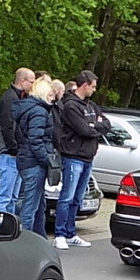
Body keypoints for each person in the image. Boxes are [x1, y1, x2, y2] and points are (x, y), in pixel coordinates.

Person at [53, 72, 110, 249]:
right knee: (67, 197)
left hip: (88, 157)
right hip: (73, 156)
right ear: (84, 85)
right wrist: (94, 126)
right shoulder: (70, 106)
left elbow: (107, 124)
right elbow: (83, 129)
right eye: (93, 86)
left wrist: (96, 126)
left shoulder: (91, 106)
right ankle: (60, 233)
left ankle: (71, 232)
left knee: (77, 198)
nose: (94, 90)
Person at [13, 77, 58, 236]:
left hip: (27, 160)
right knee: (30, 207)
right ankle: (24, 242)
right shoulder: (39, 111)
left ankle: (41, 240)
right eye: (51, 95)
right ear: (45, 93)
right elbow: (36, 140)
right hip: (34, 163)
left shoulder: (27, 108)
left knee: (38, 206)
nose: (53, 98)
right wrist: (48, 161)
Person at [0, 68, 34, 213]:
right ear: (22, 81)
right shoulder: (10, 98)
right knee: (4, 196)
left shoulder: (20, 98)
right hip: (9, 155)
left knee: (13, 197)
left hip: (16, 154)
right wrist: (14, 148)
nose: (32, 85)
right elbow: (7, 125)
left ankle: (8, 227)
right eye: (31, 82)